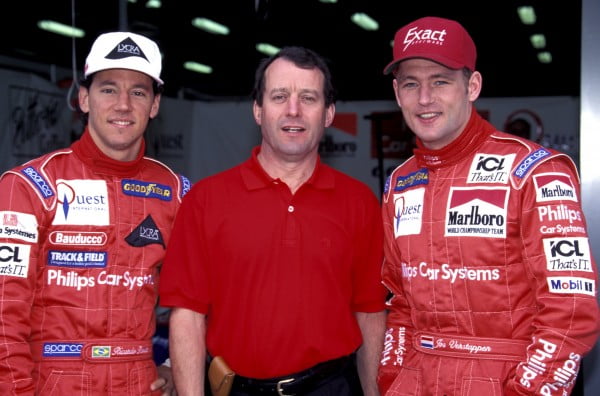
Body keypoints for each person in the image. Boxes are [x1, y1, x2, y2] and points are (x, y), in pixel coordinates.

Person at [376, 16, 600, 396]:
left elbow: (572, 310)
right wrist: (392, 377)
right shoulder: (400, 182)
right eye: (412, 84)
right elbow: (399, 302)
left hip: (504, 380)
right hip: (416, 379)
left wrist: (527, 390)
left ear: (472, 86)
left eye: (441, 81)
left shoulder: (534, 171)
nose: (425, 98)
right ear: (398, 94)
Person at [158, 46, 387, 396]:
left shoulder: (359, 203)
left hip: (333, 387)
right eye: (279, 96)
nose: (293, 110)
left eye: (308, 98)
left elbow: (371, 314)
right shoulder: (206, 200)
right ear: (258, 110)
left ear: (328, 113)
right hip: (237, 389)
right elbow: (187, 316)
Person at [0, 31, 190, 395]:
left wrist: (173, 366)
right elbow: (4, 314)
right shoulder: (28, 187)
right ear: (84, 98)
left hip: (140, 381)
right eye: (108, 89)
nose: (123, 104)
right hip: (50, 382)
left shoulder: (178, 193)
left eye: (138, 92)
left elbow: (211, 295)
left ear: (154, 104)